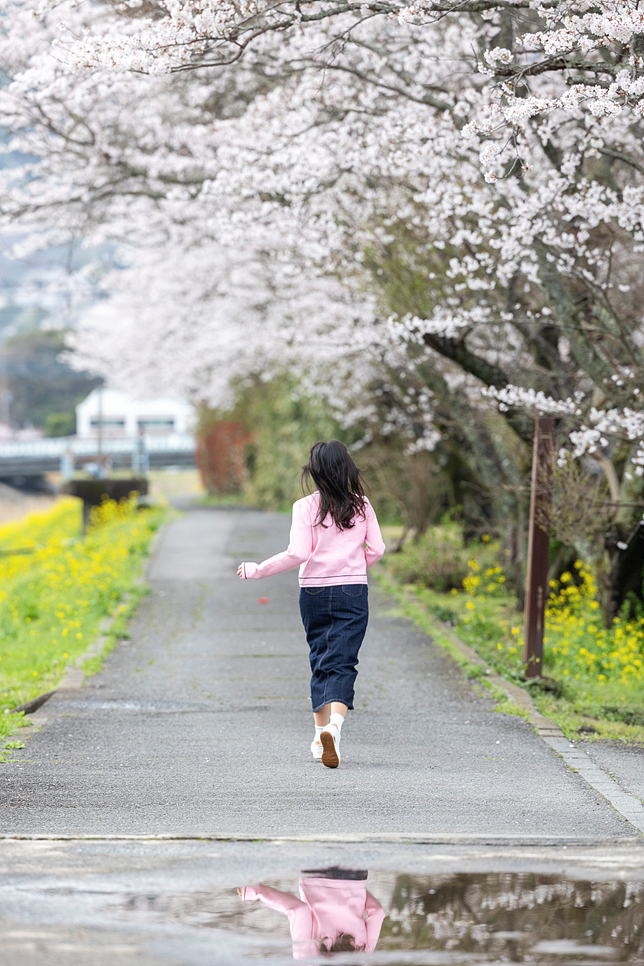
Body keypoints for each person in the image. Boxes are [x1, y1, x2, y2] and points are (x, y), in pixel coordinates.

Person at [237, 440, 385, 768]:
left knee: (320, 658)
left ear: (313, 472)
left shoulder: (304, 507)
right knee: (344, 662)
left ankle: (320, 736)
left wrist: (257, 570)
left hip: (314, 592)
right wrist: (355, 567)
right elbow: (377, 549)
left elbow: (299, 553)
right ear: (347, 469)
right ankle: (334, 727)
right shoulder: (362, 506)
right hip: (352, 591)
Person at [237, 868, 385, 959]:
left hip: (355, 874)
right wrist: (255, 891)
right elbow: (299, 910)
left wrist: (354, 891)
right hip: (316, 872)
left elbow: (377, 912)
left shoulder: (362, 957)